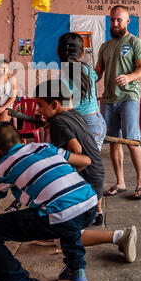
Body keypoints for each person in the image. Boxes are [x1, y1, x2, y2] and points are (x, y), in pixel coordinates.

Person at [0, 121, 98, 281]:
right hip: (90, 203)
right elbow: (85, 160)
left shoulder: (1, 169)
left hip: (61, 215)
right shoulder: (43, 146)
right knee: (65, 208)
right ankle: (76, 268)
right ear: (23, 141)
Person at [95, 5, 141, 199]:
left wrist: (129, 77)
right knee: (113, 142)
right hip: (108, 99)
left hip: (129, 97)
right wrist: (85, 79)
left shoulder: (135, 42)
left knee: (132, 141)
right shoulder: (105, 46)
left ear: (127, 21)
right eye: (112, 20)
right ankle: (120, 182)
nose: (115, 23)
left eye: (119, 20)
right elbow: (98, 71)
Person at [35, 79, 104, 217]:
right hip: (97, 180)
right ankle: (98, 212)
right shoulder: (75, 115)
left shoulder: (58, 123)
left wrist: (66, 178)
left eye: (40, 105)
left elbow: (76, 150)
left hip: (87, 186)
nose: (38, 111)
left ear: (54, 104)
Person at [57, 32, 107, 224]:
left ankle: (90, 211)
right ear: (82, 53)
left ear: (59, 52)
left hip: (84, 125)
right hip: (96, 123)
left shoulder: (64, 75)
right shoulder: (87, 69)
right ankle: (95, 211)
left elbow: (68, 106)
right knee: (88, 168)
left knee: (86, 169)